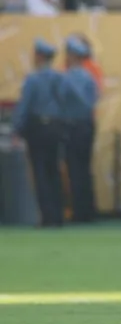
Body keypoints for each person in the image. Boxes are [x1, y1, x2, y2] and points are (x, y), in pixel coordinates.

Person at [13, 39, 65, 227]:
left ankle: (47, 217)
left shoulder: (33, 79)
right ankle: (59, 216)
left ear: (39, 56)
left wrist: (16, 128)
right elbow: (64, 102)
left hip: (37, 128)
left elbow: (24, 106)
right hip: (56, 127)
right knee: (55, 172)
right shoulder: (60, 78)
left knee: (40, 172)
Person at [61, 37, 99, 223]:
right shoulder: (88, 77)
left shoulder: (69, 78)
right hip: (86, 125)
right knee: (83, 169)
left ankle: (80, 212)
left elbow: (84, 103)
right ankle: (87, 210)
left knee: (76, 170)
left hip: (74, 126)